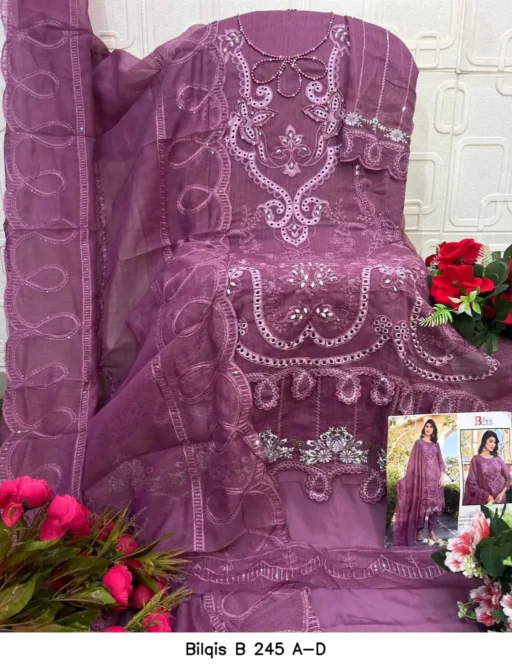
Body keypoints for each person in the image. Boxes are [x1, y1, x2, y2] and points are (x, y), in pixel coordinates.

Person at [394, 419, 445, 546]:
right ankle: (420, 530)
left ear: (434, 430)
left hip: (436, 480)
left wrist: (442, 476)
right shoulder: (419, 443)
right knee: (422, 506)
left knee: (435, 508)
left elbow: (441, 462)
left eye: (431, 427)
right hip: (423, 481)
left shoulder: (436, 445)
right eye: (427, 426)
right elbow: (412, 462)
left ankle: (431, 532)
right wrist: (408, 478)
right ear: (424, 428)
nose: (428, 428)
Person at [463, 431, 511, 506]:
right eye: (490, 441)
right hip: (484, 501)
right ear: (484, 441)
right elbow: (471, 483)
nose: (493, 444)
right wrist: (487, 496)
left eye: (495, 442)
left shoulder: (498, 459)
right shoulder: (476, 459)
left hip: (499, 500)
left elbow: (508, 478)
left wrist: (502, 493)